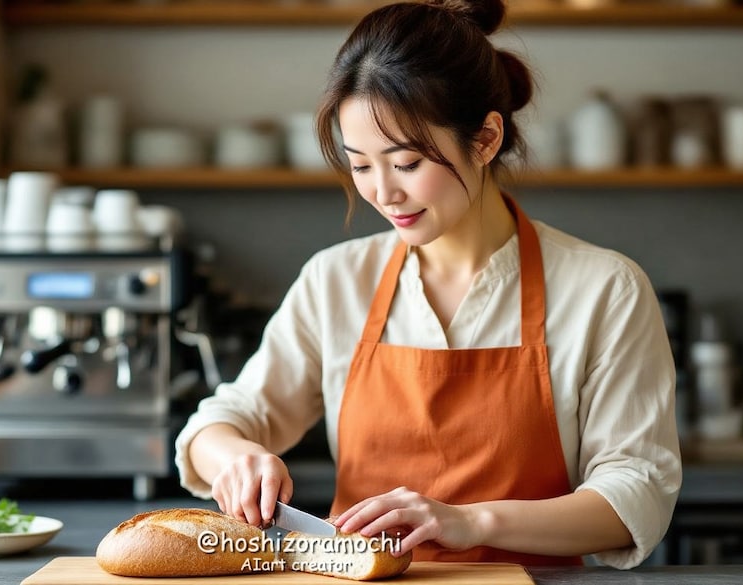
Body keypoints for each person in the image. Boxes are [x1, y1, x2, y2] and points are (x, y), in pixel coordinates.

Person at [175, 0, 680, 569]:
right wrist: (238, 456)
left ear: (486, 138)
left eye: (407, 162)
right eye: (361, 165)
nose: (383, 194)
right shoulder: (336, 280)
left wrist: (469, 521)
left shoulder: (604, 289)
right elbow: (223, 422)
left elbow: (635, 492)